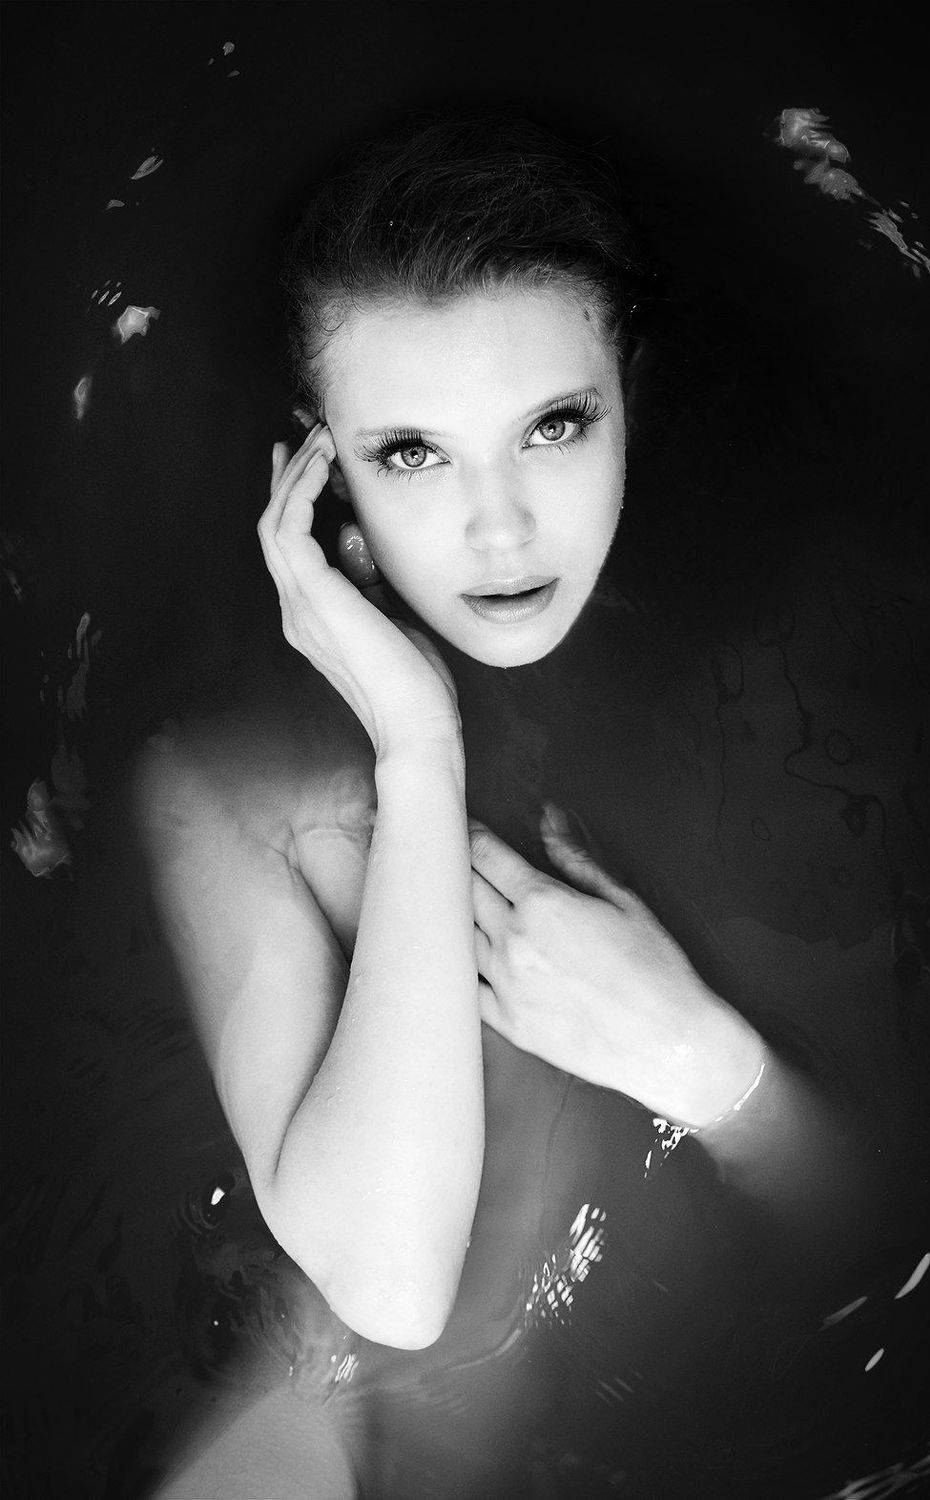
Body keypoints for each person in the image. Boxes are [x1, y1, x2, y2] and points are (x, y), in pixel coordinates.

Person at [135, 112, 879, 1494]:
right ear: (319, 471)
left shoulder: (791, 657)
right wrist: (416, 748)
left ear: (629, 396)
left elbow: (874, 1241)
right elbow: (389, 1291)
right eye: (412, 452)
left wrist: (705, 1063)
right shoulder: (244, 774)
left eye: (552, 425)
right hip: (348, 1418)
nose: (500, 527)